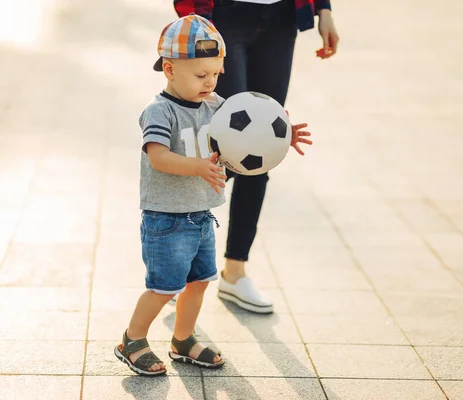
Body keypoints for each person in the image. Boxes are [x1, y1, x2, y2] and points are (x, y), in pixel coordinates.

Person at [115, 13, 312, 376]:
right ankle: (133, 339)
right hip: (166, 218)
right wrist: (197, 167)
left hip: (202, 214)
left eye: (216, 74)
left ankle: (183, 339)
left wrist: (281, 135)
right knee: (163, 287)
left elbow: (248, 134)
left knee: (199, 282)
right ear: (170, 69)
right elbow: (158, 157)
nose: (210, 82)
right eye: (201, 75)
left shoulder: (216, 106)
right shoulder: (160, 111)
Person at [174, 0, 339, 313]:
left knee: (262, 146)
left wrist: (324, 10)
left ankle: (235, 272)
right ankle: (175, 261)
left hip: (281, 17)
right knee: (223, 147)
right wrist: (192, 24)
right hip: (221, 16)